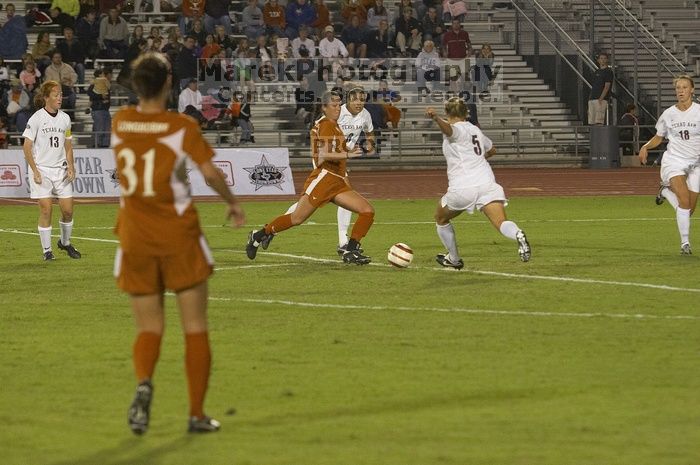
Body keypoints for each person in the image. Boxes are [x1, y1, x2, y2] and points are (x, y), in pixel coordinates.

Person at [112, 52, 245, 435]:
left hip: (134, 235)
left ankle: (143, 384)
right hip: (177, 235)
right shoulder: (181, 126)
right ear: (169, 83)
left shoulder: (121, 123)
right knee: (195, 326)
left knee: (149, 328)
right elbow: (209, 172)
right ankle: (197, 414)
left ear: (137, 85)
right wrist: (233, 203)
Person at [246, 90, 374, 264]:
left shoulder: (333, 124)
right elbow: (323, 155)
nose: (338, 108)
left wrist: (348, 151)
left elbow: (334, 150)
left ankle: (350, 249)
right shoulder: (327, 124)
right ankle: (260, 235)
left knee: (367, 211)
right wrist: (348, 155)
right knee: (297, 218)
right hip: (324, 178)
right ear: (324, 107)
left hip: (336, 180)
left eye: (338, 105)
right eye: (334, 106)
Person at [426, 97, 531, 268]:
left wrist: (436, 118)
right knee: (500, 222)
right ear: (466, 113)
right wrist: (475, 159)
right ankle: (518, 234)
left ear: (447, 113)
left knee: (440, 217)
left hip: (463, 188)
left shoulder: (456, 130)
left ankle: (453, 259)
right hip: (487, 184)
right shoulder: (475, 130)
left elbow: (450, 131)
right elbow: (492, 150)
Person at [638, 75, 700, 255]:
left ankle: (664, 191)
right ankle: (685, 243)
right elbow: (659, 136)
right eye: (678, 88)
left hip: (696, 163)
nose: (681, 91)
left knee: (688, 211)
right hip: (674, 161)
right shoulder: (669, 114)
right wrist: (645, 146)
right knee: (684, 201)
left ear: (692, 90)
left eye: (684, 87)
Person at [21, 80, 81, 261]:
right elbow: (26, 146)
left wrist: (71, 166)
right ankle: (47, 251)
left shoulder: (65, 119)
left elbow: (68, 145)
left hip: (61, 170)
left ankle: (65, 242)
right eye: (56, 95)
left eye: (61, 94)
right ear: (46, 97)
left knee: (68, 211)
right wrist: (34, 170)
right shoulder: (36, 118)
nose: (59, 98)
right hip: (42, 170)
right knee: (46, 209)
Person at [588, 51, 613, 125]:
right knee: (591, 120)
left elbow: (607, 86)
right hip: (593, 97)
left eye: (604, 58)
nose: (602, 60)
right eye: (601, 58)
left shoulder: (608, 72)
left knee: (598, 120)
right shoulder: (597, 71)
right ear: (598, 60)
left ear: (607, 60)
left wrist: (601, 98)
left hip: (600, 99)